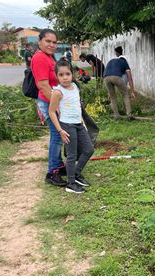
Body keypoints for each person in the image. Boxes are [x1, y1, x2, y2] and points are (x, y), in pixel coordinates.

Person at [48, 59, 94, 193]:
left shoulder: (75, 86)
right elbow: (51, 112)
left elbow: (77, 106)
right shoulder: (57, 92)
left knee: (89, 149)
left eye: (67, 74)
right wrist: (60, 130)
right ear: (57, 76)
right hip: (67, 126)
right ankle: (70, 183)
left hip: (78, 124)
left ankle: (77, 174)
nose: (65, 77)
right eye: (61, 75)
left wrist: (83, 123)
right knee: (72, 154)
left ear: (72, 74)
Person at [31, 29, 66, 186]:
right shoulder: (39, 58)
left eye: (54, 42)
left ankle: (58, 165)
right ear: (40, 41)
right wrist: (56, 105)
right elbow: (43, 85)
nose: (51, 45)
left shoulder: (49, 57)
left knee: (57, 134)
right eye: (48, 41)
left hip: (53, 100)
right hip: (48, 102)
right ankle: (52, 172)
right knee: (58, 135)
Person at [103, 47, 136, 119]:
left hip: (106, 77)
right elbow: (129, 77)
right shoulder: (124, 62)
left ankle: (116, 115)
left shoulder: (112, 60)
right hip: (116, 77)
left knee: (112, 96)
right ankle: (129, 114)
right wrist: (132, 90)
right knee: (125, 94)